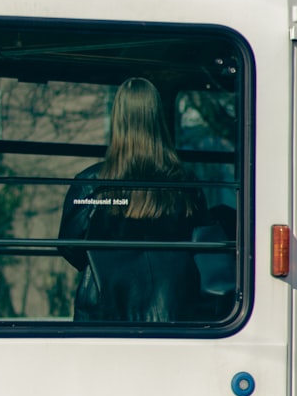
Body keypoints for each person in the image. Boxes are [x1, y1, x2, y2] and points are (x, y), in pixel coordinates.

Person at [58, 77, 206, 322]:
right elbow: (200, 239)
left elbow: (70, 246)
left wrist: (107, 264)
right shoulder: (186, 183)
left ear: (118, 119)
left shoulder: (91, 183)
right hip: (177, 306)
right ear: (157, 119)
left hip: (104, 309)